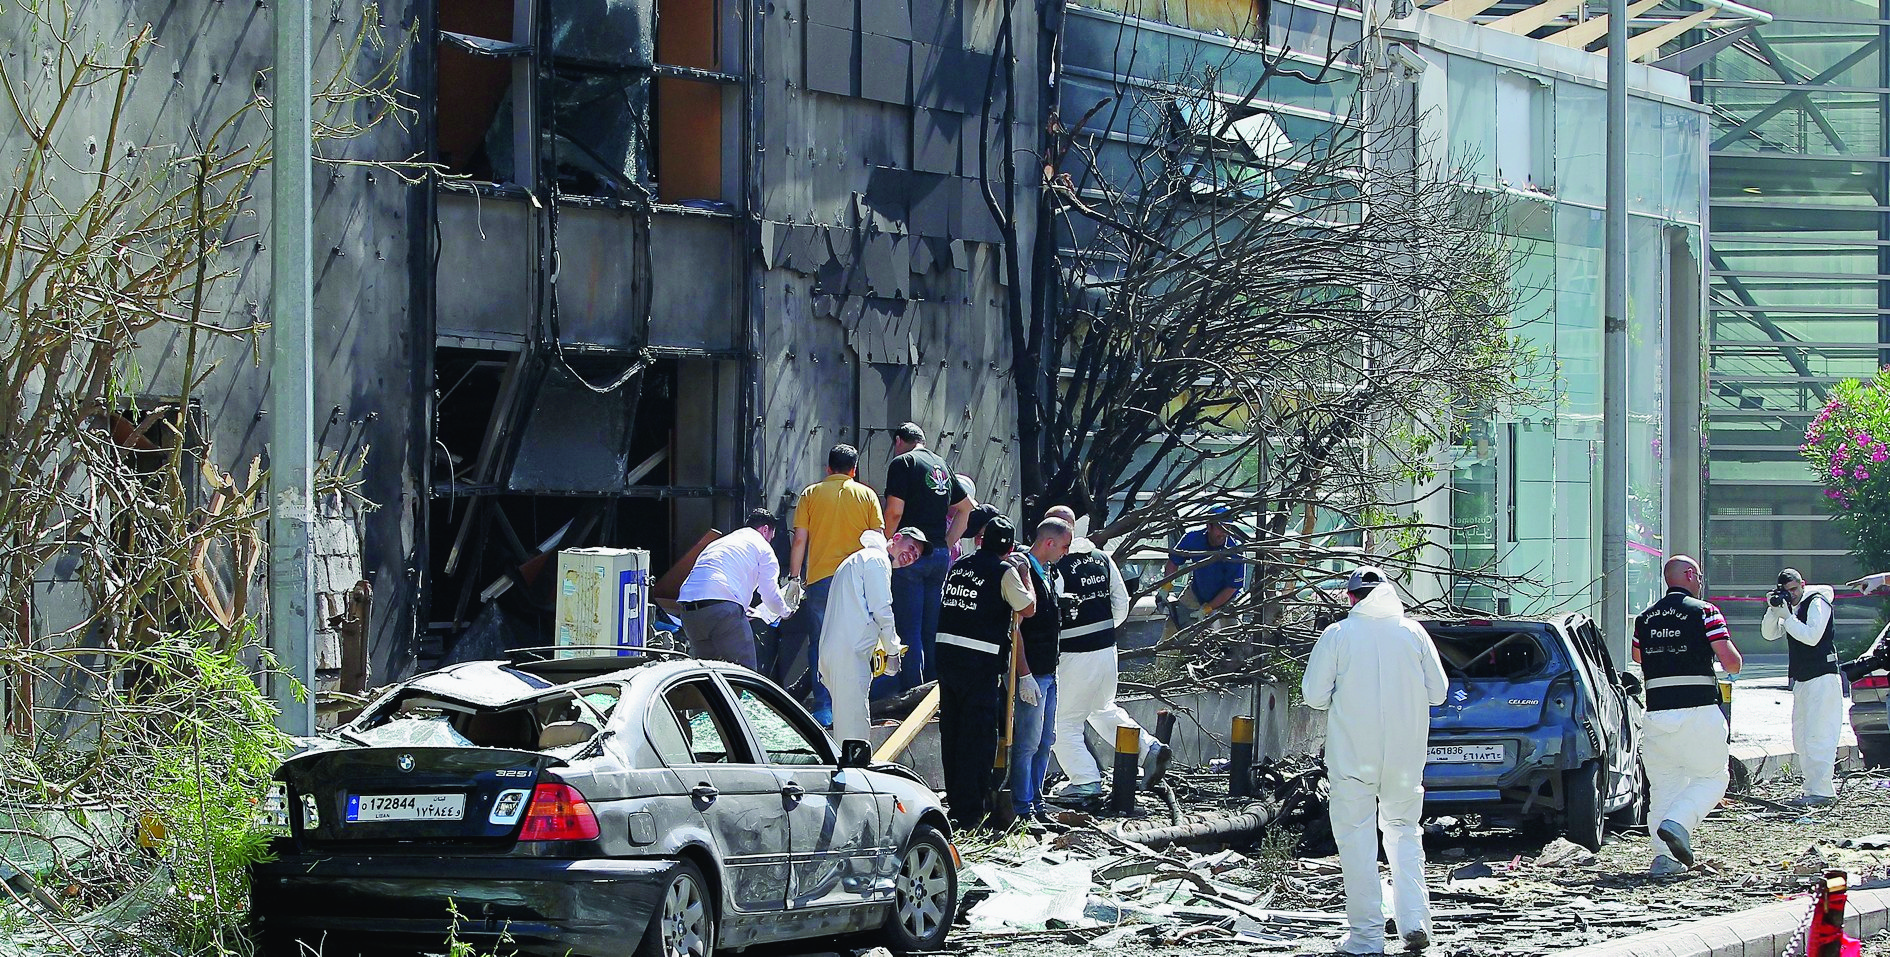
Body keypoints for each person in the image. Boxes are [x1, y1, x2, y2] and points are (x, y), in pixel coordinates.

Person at [1301, 567, 1447, 955]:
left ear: (1352, 598)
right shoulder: (1414, 632)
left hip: (1353, 759)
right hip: (1405, 759)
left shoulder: (1338, 635)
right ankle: (1414, 921)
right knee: (1405, 833)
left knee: (1357, 843)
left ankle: (1366, 939)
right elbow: (1439, 693)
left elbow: (1314, 696)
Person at [1046, 506, 1172, 805]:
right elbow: (1121, 605)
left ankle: (1085, 780)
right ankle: (1148, 748)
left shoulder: (1058, 566)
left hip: (1076, 654)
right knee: (1101, 708)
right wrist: (1101, 632)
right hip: (1106, 651)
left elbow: (1052, 613)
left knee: (1062, 722)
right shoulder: (1102, 559)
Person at [1633, 555, 1743, 877]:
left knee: (1664, 788)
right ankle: (1678, 823)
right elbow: (1730, 661)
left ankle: (1664, 860)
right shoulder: (1705, 611)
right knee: (1713, 777)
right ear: (1691, 575)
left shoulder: (1645, 618)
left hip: (1656, 716)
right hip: (1697, 710)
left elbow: (1638, 655)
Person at [934, 516, 1035, 831]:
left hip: (947, 660)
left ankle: (956, 802)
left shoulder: (960, 565)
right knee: (976, 739)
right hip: (979, 664)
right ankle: (970, 811)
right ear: (1008, 548)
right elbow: (1027, 607)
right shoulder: (1004, 571)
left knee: (951, 733)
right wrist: (1025, 574)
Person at [783, 444, 885, 725]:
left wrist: (794, 578)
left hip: (821, 580)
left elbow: (800, 539)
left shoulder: (811, 494)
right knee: (858, 642)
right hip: (858, 582)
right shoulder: (867, 496)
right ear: (854, 470)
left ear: (828, 468)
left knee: (820, 643)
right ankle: (855, 703)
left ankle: (824, 707)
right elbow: (876, 540)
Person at [882, 423, 975, 692]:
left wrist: (885, 546)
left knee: (908, 629)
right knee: (930, 628)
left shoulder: (903, 463)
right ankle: (935, 692)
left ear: (899, 440)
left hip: (909, 557)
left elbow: (895, 512)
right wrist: (946, 544)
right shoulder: (941, 465)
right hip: (937, 557)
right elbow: (966, 508)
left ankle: (912, 694)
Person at [818, 528, 928, 744]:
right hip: (849, 655)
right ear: (896, 539)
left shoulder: (861, 559)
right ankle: (853, 774)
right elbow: (882, 610)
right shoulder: (877, 560)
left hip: (840, 653)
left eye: (915, 556)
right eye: (911, 548)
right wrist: (893, 650)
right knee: (854, 732)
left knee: (847, 725)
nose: (911, 557)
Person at [1761, 568, 1843, 807]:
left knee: (1820, 735)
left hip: (1823, 678)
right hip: (1803, 680)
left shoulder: (1817, 602)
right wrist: (1773, 610)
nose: (1792, 595)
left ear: (1803, 585)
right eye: (1787, 592)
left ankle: (1823, 790)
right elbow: (1768, 634)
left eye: (1795, 590)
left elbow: (1812, 637)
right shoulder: (1791, 608)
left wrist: (1788, 617)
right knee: (1803, 737)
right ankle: (1812, 788)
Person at [677, 509, 795, 669]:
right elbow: (769, 594)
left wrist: (741, 607)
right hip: (722, 610)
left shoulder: (722, 542)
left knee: (707, 675)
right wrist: (786, 612)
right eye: (771, 537)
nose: (770, 541)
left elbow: (717, 578)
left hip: (689, 611)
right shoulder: (763, 548)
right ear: (765, 529)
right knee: (746, 675)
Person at [1008, 517, 1071, 818]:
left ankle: (1038, 801)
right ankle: (1022, 806)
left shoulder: (1047, 572)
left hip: (1050, 670)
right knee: (1028, 743)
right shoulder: (1025, 570)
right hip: (1033, 672)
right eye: (1064, 546)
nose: (1066, 552)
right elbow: (1015, 628)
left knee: (1046, 741)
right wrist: (1024, 675)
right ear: (1049, 543)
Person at [1165, 508, 1243, 635]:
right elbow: (1173, 562)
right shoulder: (1192, 538)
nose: (1224, 533)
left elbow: (1231, 588)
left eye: (1227, 528)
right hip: (1197, 592)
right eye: (1220, 528)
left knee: (1233, 638)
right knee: (1173, 626)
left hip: (1228, 599)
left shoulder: (1236, 550)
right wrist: (1165, 588)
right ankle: (1164, 654)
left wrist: (1206, 609)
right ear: (1209, 526)